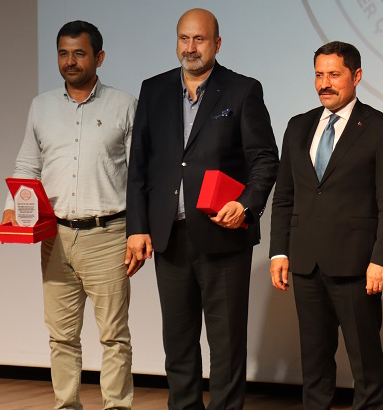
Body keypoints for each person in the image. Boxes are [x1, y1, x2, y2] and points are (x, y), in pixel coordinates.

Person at [125, 8, 279, 410]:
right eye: (184, 38)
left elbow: (264, 159)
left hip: (223, 237)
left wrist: (245, 204)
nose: (190, 47)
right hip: (169, 237)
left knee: (226, 346)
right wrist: (137, 226)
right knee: (178, 344)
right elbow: (139, 165)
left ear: (217, 43)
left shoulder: (242, 90)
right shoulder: (154, 89)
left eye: (200, 39)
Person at [1, 21, 138, 410]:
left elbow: (139, 175)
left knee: (114, 336)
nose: (70, 61)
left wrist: (138, 232)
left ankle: (117, 407)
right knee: (61, 336)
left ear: (99, 57)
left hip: (108, 235)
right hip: (55, 238)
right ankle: (66, 406)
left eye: (79, 53)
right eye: (63, 53)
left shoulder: (124, 105)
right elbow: (27, 165)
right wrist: (11, 208)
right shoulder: (41, 106)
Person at [269, 41, 383, 410]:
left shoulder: (381, 128)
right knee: (314, 361)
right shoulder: (298, 126)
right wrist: (279, 250)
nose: (324, 83)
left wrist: (382, 259)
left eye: (333, 74)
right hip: (306, 263)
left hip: (357, 265)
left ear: (356, 76)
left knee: (365, 360)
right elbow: (284, 196)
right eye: (319, 75)